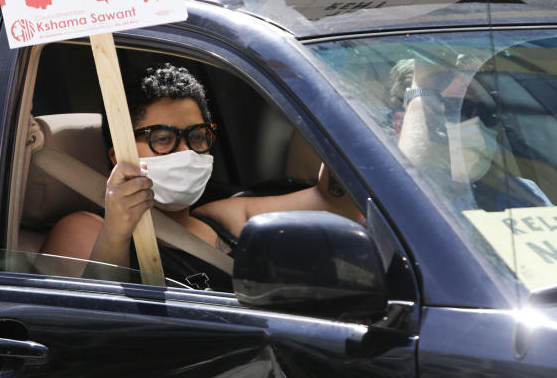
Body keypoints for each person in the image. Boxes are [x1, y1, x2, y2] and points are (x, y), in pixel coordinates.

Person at [41, 63, 361, 288]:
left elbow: (337, 204)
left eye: (196, 136)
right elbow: (85, 329)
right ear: (119, 155)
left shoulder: (223, 217)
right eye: (163, 138)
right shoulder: (86, 228)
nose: (185, 152)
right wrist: (117, 231)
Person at [388, 55, 551, 211]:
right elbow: (405, 207)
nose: (476, 125)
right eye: (459, 110)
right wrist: (421, 89)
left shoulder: (525, 195)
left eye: (484, 112)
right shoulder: (380, 198)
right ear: (400, 124)